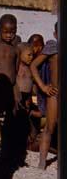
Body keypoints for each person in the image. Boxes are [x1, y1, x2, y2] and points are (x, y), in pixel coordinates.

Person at [0, 14, 20, 144]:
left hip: (10, 87)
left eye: (12, 32)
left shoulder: (15, 49)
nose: (9, 35)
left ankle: (5, 143)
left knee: (9, 116)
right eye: (5, 32)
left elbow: (16, 69)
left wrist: (15, 87)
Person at [30, 23, 58, 169]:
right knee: (49, 127)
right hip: (55, 94)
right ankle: (42, 161)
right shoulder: (52, 47)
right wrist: (43, 86)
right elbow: (34, 65)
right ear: (55, 34)